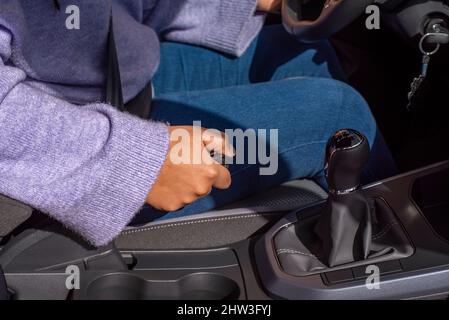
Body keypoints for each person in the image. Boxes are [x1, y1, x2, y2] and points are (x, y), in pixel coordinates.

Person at [0, 0, 396, 246]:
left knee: (300, 50)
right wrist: (131, 162)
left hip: (119, 79)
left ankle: (355, 234)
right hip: (61, 153)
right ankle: (389, 248)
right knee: (340, 115)